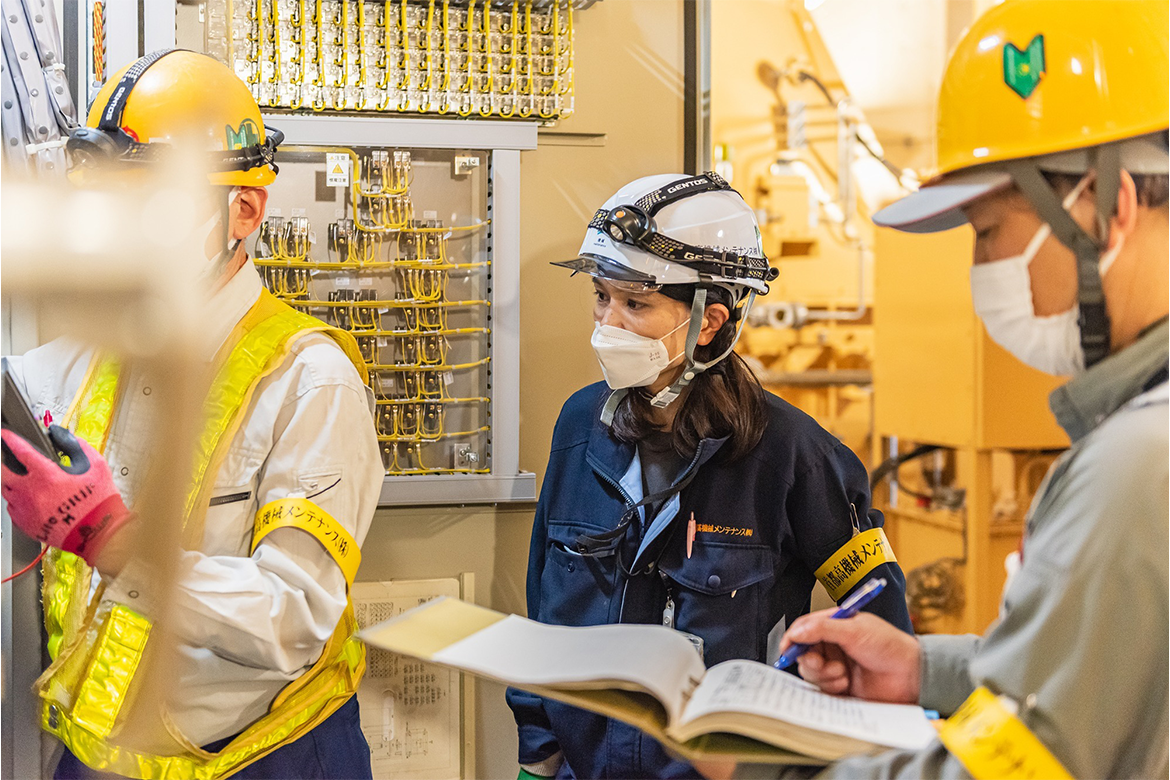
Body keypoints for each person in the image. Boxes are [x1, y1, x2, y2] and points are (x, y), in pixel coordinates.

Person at [710, 2, 1168, 778]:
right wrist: (928, 670)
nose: (978, 270)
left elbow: (1018, 767)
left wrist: (766, 764)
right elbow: (1114, 676)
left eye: (990, 232)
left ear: (1107, 207)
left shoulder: (1134, 463)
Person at [0, 50, 384, 778]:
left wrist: (112, 540)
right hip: (97, 753)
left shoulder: (311, 380)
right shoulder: (94, 351)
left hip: (265, 758)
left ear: (244, 208)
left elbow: (293, 618)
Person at [505, 172, 913, 779]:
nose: (607, 323)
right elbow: (546, 607)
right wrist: (536, 763)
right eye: (601, 295)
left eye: (635, 304)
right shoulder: (579, 426)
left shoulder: (792, 455)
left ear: (711, 320)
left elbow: (875, 621)